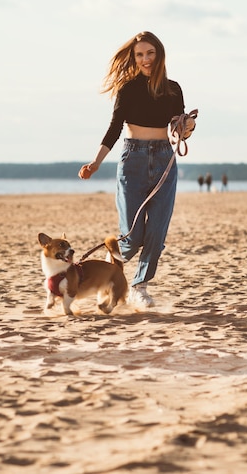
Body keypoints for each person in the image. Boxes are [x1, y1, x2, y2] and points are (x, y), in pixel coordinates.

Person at [79, 31, 195, 307]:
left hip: (165, 159)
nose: (145, 59)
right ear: (134, 58)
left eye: (150, 53)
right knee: (132, 235)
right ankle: (111, 265)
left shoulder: (174, 88)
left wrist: (187, 128)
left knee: (156, 231)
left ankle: (139, 287)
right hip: (133, 160)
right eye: (140, 54)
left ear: (160, 54)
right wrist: (96, 162)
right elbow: (114, 128)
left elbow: (178, 133)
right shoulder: (128, 89)